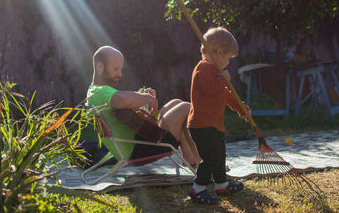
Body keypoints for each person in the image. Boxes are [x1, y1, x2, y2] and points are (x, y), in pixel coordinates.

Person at [86, 46, 200, 167]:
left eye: (121, 69)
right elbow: (122, 99)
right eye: (116, 69)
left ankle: (191, 159)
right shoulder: (99, 91)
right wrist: (146, 98)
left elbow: (124, 106)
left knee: (175, 103)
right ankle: (202, 162)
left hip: (137, 144)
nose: (120, 74)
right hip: (138, 150)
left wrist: (139, 98)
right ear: (100, 66)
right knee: (185, 108)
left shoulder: (96, 92)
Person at [188, 27, 250, 205]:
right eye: (229, 58)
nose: (229, 63)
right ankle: (197, 188)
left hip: (213, 124)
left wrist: (241, 108)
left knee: (220, 155)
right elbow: (209, 88)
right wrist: (224, 79)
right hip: (202, 125)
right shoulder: (204, 67)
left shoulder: (214, 71)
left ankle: (221, 185)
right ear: (219, 52)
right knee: (211, 158)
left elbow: (224, 94)